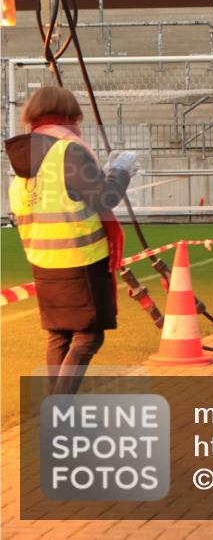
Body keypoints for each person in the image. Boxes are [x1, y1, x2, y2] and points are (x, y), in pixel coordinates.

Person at [5, 86, 138, 395]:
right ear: (69, 115)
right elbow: (105, 196)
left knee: (59, 335)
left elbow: (70, 194)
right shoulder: (67, 151)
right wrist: (120, 170)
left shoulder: (25, 158)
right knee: (89, 336)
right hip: (81, 260)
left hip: (43, 262)